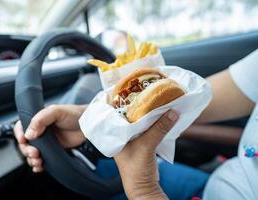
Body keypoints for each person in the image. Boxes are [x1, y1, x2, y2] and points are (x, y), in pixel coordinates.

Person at [14, 49, 258, 199]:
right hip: (217, 182)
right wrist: (90, 119)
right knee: (91, 167)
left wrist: (143, 190)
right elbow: (202, 100)